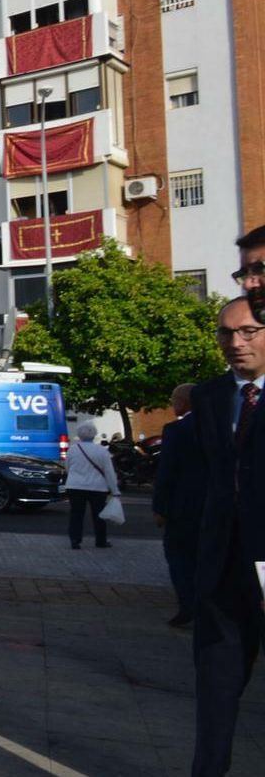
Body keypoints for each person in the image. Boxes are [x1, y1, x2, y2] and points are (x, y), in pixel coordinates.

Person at [190, 292, 265, 776]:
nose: (235, 343)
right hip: (222, 567)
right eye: (226, 333)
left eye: (249, 332)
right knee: (216, 690)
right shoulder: (210, 395)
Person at [154, 383, 202, 627]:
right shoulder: (220, 425)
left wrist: (160, 508)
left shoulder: (176, 430)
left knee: (179, 557)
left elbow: (166, 473)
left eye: (173, 399)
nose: (172, 404)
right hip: (215, 507)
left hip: (182, 508)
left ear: (184, 402)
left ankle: (188, 605)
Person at [63, 422, 120, 550]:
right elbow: (109, 472)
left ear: (79, 435)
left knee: (76, 514)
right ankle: (101, 540)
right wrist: (114, 489)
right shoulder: (102, 451)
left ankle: (75, 540)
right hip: (97, 487)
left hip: (75, 486)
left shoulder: (73, 449)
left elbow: (67, 467)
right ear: (94, 435)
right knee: (99, 515)